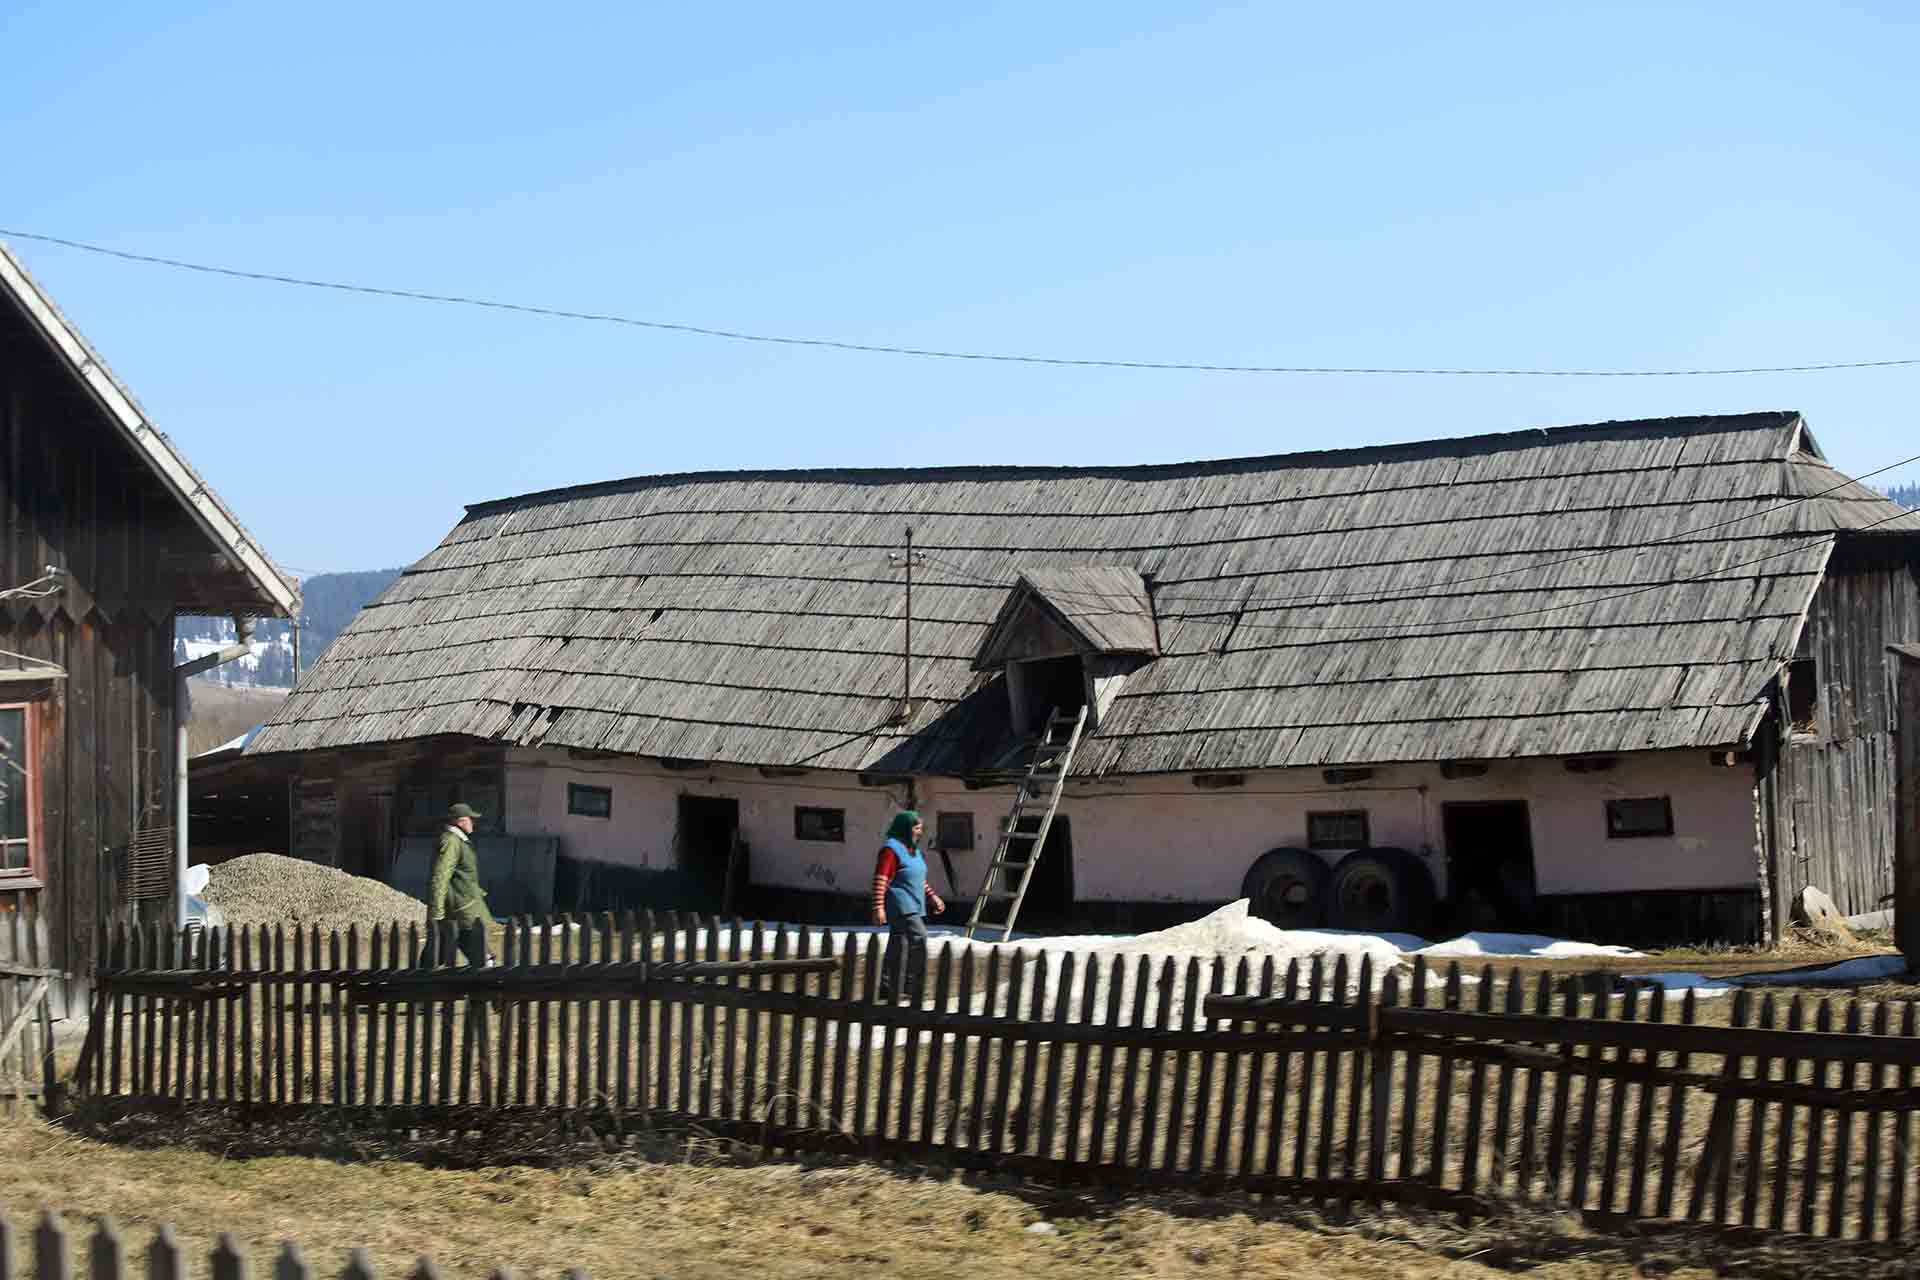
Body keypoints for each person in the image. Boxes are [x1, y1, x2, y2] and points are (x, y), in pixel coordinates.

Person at [870, 809, 944, 1003]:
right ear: (905, 828)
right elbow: (881, 879)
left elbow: (919, 878)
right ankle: (912, 986)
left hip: (914, 902)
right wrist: (878, 907)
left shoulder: (914, 851)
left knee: (897, 943)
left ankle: (887, 987)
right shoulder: (891, 850)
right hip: (900, 903)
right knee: (919, 938)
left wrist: (933, 897)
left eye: (920, 828)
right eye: (917, 828)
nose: (920, 832)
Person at [422, 802, 495, 968]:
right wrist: (436, 913)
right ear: (461, 821)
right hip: (461, 911)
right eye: (471, 819)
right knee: (481, 958)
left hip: (462, 908)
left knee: (435, 956)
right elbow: (440, 877)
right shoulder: (451, 842)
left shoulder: (458, 841)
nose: (473, 823)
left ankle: (418, 984)